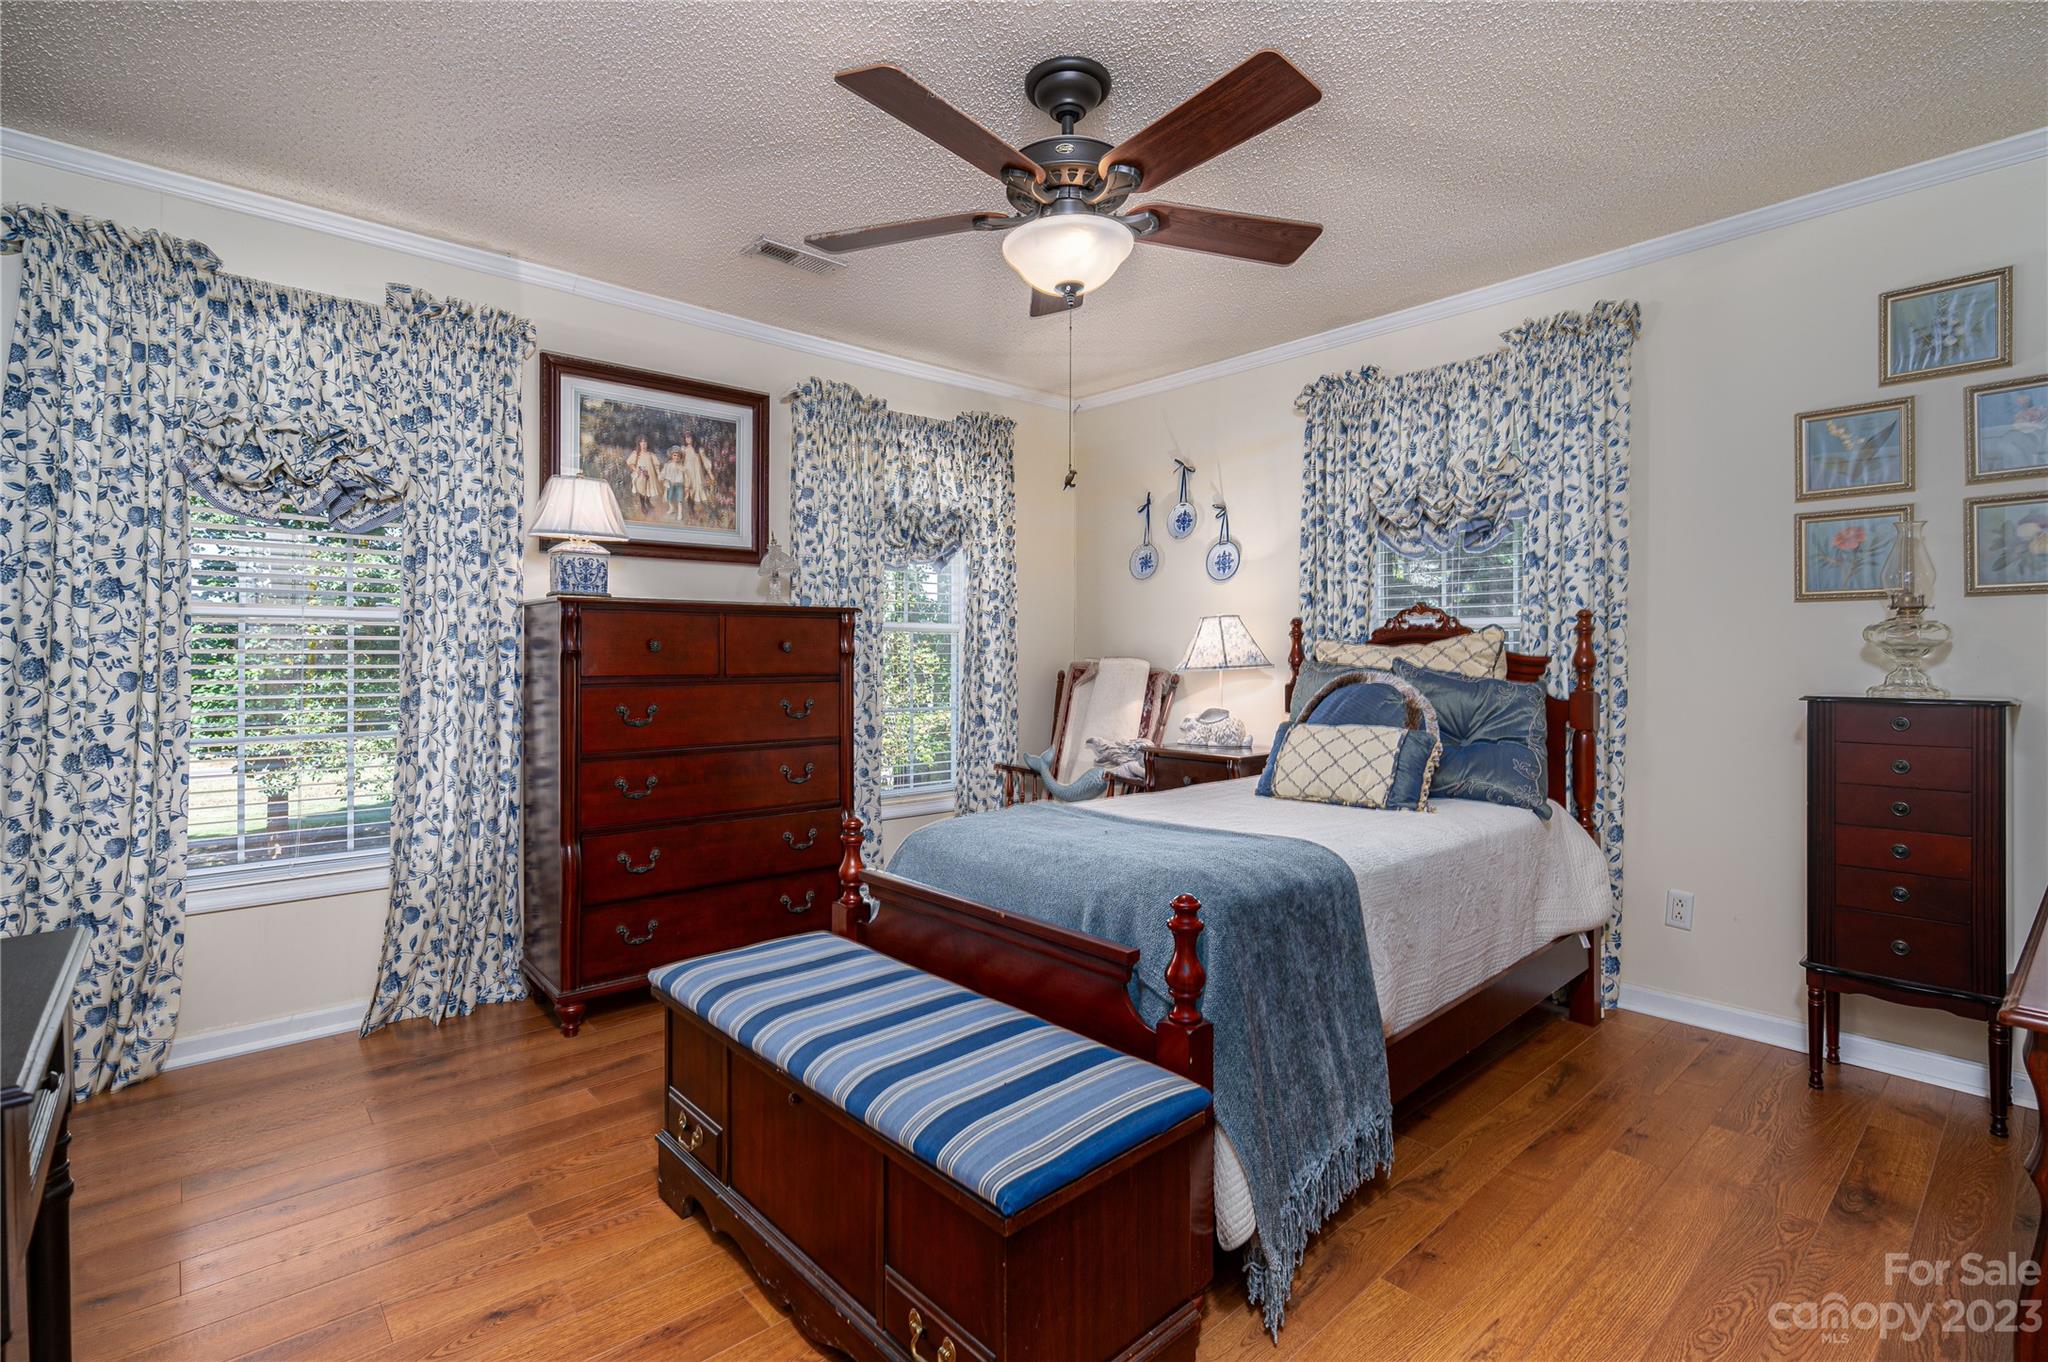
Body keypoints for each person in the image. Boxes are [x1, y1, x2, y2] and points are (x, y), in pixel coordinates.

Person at [625, 436, 662, 516]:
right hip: (640, 474)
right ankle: (642, 505)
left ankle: (648, 501)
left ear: (647, 443)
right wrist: (636, 470)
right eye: (641, 442)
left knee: (649, 488)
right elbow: (630, 463)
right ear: (639, 443)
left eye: (645, 442)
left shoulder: (650, 454)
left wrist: (658, 473)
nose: (643, 444)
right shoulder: (636, 453)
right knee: (641, 489)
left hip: (650, 474)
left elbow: (656, 465)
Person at [661, 445, 690, 522]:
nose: (676, 457)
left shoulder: (682, 466)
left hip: (679, 484)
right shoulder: (668, 465)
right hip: (670, 484)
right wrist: (663, 479)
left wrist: (687, 486)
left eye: (678, 456)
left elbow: (686, 476)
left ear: (680, 457)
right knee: (669, 498)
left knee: (679, 499)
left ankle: (680, 513)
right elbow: (663, 473)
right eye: (674, 455)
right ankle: (672, 508)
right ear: (671, 456)